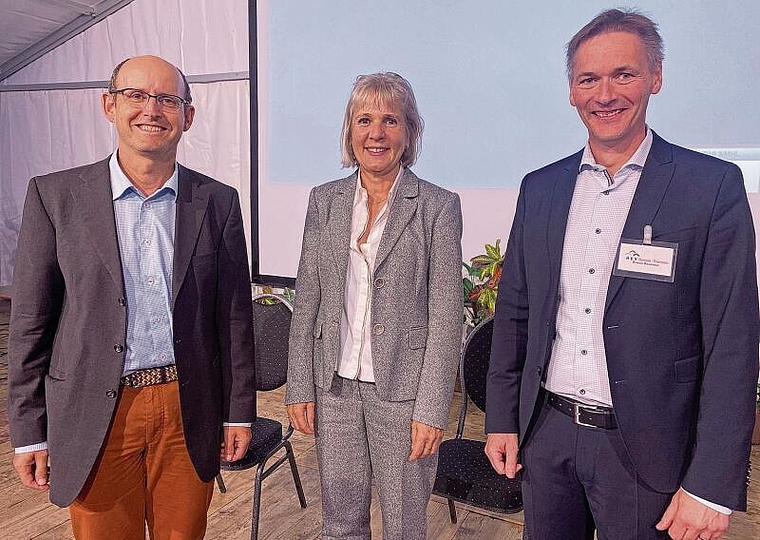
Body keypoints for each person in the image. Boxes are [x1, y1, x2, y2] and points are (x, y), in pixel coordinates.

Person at [484, 9, 758, 540]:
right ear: (571, 91)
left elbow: (733, 342)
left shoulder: (711, 188)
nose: (604, 94)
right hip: (549, 437)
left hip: (649, 450)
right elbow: (515, 313)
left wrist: (710, 485)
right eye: (588, 79)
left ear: (655, 78)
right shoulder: (539, 189)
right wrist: (502, 418)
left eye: (623, 74)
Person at [8, 55, 256, 539]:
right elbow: (31, 324)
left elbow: (234, 318)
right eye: (136, 95)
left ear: (188, 115)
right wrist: (28, 430)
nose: (152, 109)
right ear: (109, 105)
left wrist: (238, 410)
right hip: (95, 409)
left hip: (188, 407)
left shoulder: (217, 200)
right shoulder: (55, 196)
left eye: (168, 99)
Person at [285, 72, 463, 540]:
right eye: (364, 120)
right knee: (340, 523)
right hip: (335, 390)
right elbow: (307, 301)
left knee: (405, 526)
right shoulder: (325, 201)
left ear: (410, 132)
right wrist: (300, 385)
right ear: (349, 130)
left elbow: (446, 320)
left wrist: (431, 409)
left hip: (403, 397)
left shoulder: (436, 207)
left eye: (390, 120)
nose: (376, 133)